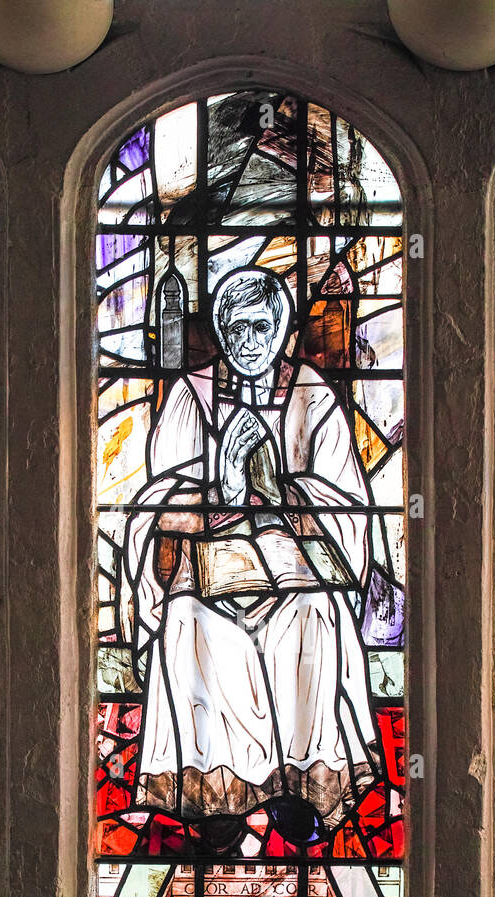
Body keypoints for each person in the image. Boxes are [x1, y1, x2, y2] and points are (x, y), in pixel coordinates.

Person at [119, 267, 380, 839]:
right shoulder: (193, 394)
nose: (250, 342)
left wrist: (283, 491)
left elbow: (348, 506)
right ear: (223, 331)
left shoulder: (312, 393)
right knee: (189, 621)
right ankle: (217, 791)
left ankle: (302, 788)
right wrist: (223, 484)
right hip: (209, 567)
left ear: (281, 326)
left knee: (312, 614)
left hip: (294, 567)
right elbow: (157, 499)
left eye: (262, 327)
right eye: (236, 329)